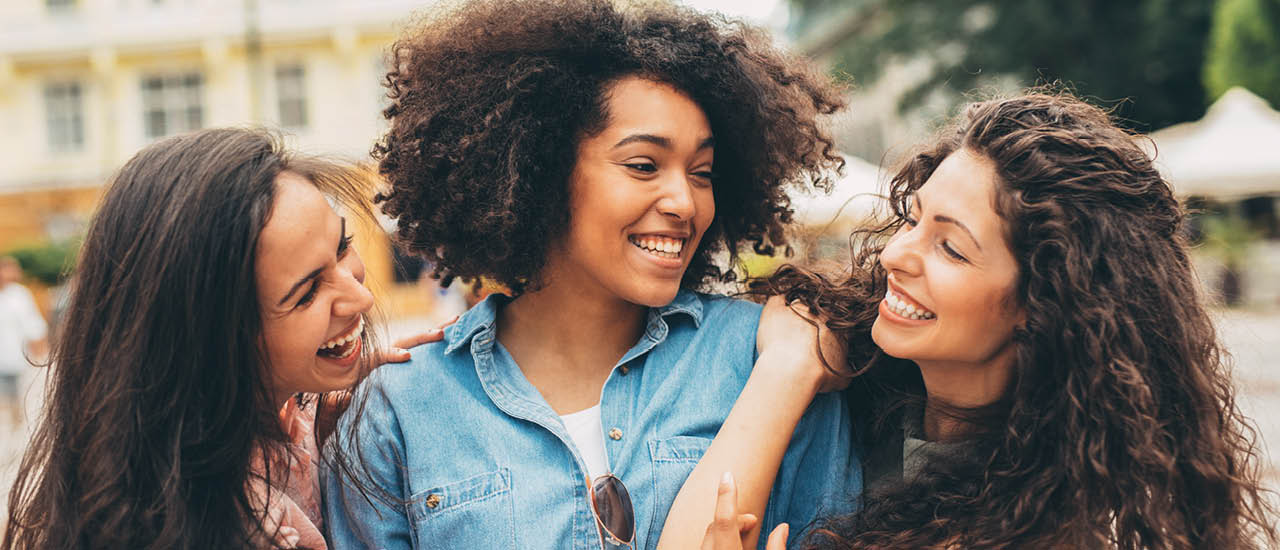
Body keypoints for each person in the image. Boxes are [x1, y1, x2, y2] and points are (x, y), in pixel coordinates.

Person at [321, 1, 858, 549]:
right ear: (541, 170)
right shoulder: (402, 407)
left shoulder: (776, 361)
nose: (685, 202)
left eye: (702, 173)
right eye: (644, 165)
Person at [686, 91, 1279, 549]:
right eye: (913, 220)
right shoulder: (841, 358)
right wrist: (788, 369)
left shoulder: (1056, 518)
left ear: (1044, 306)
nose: (894, 255)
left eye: (951, 248)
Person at [2, 128, 441, 550]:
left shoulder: (276, 424)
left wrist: (318, 425)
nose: (360, 296)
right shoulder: (224, 523)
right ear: (205, 338)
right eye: (306, 293)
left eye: (343, 246)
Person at [0, 256, 47, 426]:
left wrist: (40, 350)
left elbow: (33, 324)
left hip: (16, 356)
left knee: (15, 398)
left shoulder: (19, 295)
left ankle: (14, 427)